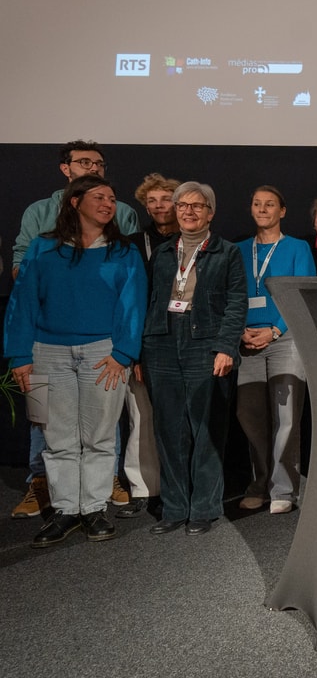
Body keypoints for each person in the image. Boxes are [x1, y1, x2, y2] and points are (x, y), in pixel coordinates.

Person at [4, 175, 147, 547]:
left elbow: (133, 304)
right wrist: (20, 357)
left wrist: (123, 354)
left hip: (104, 355)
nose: (108, 204)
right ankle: (67, 509)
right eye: (99, 197)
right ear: (74, 202)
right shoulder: (41, 247)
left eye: (112, 198)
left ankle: (95, 507)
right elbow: (21, 304)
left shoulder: (124, 251)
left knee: (100, 435)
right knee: (55, 437)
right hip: (42, 355)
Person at [141, 182, 247, 535]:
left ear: (210, 213)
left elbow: (236, 303)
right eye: (182, 205)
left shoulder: (227, 252)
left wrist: (226, 347)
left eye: (197, 206)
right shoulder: (162, 253)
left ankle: (203, 508)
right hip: (162, 344)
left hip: (206, 344)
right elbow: (153, 300)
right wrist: (143, 350)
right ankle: (174, 508)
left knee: (207, 429)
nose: (188, 211)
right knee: (169, 431)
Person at [236, 186, 317, 514]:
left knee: (286, 416)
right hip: (245, 341)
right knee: (249, 415)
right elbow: (231, 294)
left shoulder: (297, 248)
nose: (262, 209)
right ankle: (260, 482)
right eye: (257, 203)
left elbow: (302, 293)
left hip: (285, 339)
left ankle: (284, 487)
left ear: (282, 211)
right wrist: (240, 329)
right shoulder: (238, 250)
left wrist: (275, 329)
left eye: (269, 204)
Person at [117, 173, 182, 518]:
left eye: (166, 199)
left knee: (179, 418)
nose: (159, 206)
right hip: (143, 342)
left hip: (184, 342)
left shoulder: (194, 239)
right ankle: (144, 490)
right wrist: (135, 350)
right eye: (152, 200)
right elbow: (127, 300)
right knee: (141, 417)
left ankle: (178, 487)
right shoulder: (130, 243)